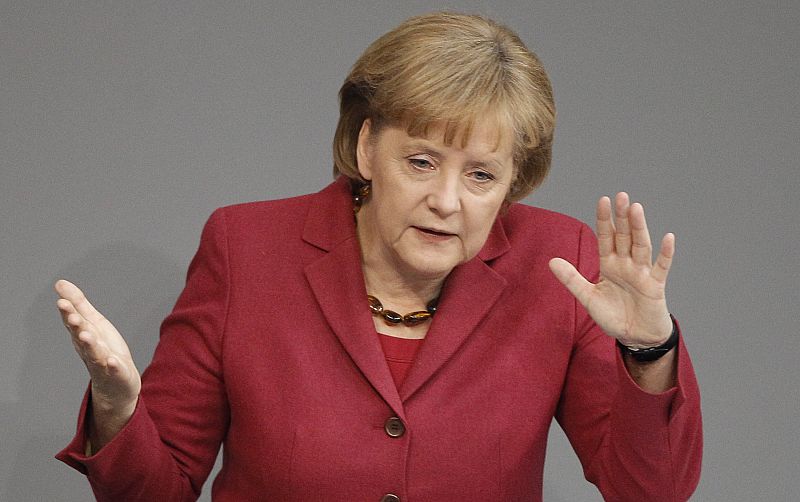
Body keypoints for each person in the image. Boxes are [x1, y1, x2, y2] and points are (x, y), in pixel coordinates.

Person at [55, 12, 702, 501]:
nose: (447, 200)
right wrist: (118, 404)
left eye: (481, 176)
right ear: (367, 148)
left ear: (513, 182)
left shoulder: (558, 260)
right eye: (421, 161)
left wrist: (649, 350)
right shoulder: (247, 250)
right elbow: (153, 491)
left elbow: (651, 491)